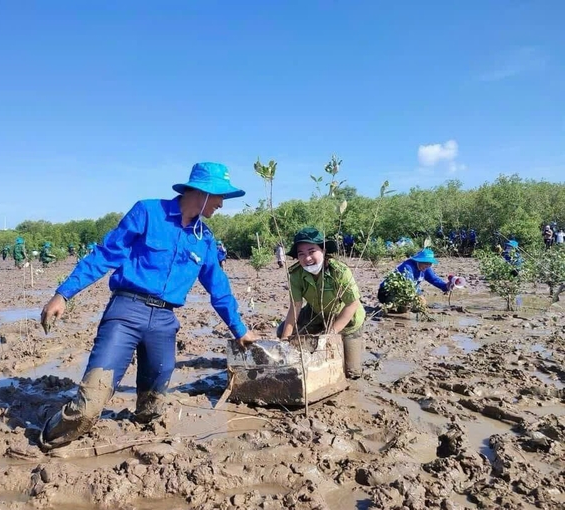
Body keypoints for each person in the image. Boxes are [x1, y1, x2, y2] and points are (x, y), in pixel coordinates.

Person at [38, 162, 260, 450]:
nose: (221, 204)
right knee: (88, 406)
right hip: (126, 312)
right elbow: (104, 255)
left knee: (152, 409)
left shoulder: (204, 239)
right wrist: (63, 294)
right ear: (203, 192)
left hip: (164, 323)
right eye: (219, 196)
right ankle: (47, 438)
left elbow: (219, 288)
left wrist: (239, 330)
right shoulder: (147, 212)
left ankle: (136, 445)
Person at [276, 228, 366, 379]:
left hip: (347, 318)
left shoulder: (340, 271)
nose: (307, 258)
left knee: (352, 373)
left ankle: (338, 349)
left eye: (312, 251)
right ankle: (306, 358)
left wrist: (330, 334)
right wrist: (285, 341)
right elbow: (295, 307)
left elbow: (352, 305)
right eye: (301, 254)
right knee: (283, 332)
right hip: (316, 313)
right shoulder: (296, 274)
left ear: (323, 251)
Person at [378, 248, 449, 306]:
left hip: (405, 292)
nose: (427, 266)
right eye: (425, 263)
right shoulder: (407, 267)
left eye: (430, 264)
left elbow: (433, 279)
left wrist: (445, 286)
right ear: (418, 260)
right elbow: (409, 284)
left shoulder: (426, 268)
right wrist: (420, 295)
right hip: (387, 292)